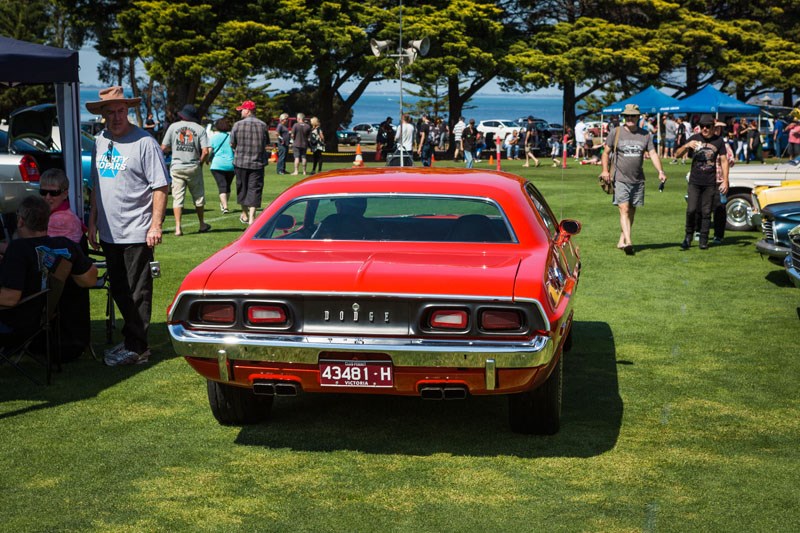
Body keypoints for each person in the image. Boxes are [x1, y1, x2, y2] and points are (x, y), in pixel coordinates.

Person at [86, 86, 169, 366]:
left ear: (128, 111)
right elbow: (98, 184)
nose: (117, 117)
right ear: (103, 115)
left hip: (137, 229)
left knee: (138, 290)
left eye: (121, 111)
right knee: (120, 289)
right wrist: (93, 220)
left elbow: (160, 186)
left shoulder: (145, 142)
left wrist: (155, 225)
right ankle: (132, 339)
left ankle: (138, 347)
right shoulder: (100, 140)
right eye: (111, 112)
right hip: (109, 231)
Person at [0, 195, 97, 339]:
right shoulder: (65, 245)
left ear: (20, 221)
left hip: (16, 324)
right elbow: (90, 279)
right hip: (45, 321)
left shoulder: (18, 249)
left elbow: (10, 298)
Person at [600, 103, 667, 255]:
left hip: (638, 179)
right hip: (620, 178)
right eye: (627, 116)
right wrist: (605, 170)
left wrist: (660, 171)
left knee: (632, 211)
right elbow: (606, 153)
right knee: (624, 209)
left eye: (633, 116)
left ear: (638, 117)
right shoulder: (615, 132)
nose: (629, 118)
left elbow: (653, 154)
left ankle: (622, 239)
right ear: (624, 117)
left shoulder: (645, 135)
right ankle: (629, 242)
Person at [674, 114, 729, 250]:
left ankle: (703, 240)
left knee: (706, 212)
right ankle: (688, 236)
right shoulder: (694, 138)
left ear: (713, 127)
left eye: (708, 126)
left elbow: (724, 160)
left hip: (710, 182)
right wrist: (687, 145)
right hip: (695, 181)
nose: (704, 129)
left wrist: (725, 181)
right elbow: (677, 154)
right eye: (702, 126)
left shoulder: (719, 141)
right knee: (691, 210)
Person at [161, 104, 211, 236]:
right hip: (193, 165)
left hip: (176, 166)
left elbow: (163, 147)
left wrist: (174, 150)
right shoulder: (200, 129)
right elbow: (206, 151)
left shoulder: (173, 127)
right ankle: (202, 224)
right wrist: (201, 161)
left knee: (177, 197)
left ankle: (178, 227)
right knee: (198, 197)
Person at [230, 99, 269, 226]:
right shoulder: (263, 125)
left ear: (248, 111)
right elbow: (266, 142)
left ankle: (245, 213)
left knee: (242, 187)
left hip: (240, 162)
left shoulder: (237, 125)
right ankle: (252, 217)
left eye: (242, 110)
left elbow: (232, 143)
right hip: (257, 163)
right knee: (255, 189)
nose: (240, 112)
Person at [208, 117, 235, 214]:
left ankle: (225, 206)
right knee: (227, 186)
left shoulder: (214, 138)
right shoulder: (231, 137)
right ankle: (224, 204)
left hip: (217, 165)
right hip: (231, 165)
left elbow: (209, 151)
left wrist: (206, 160)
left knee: (222, 186)